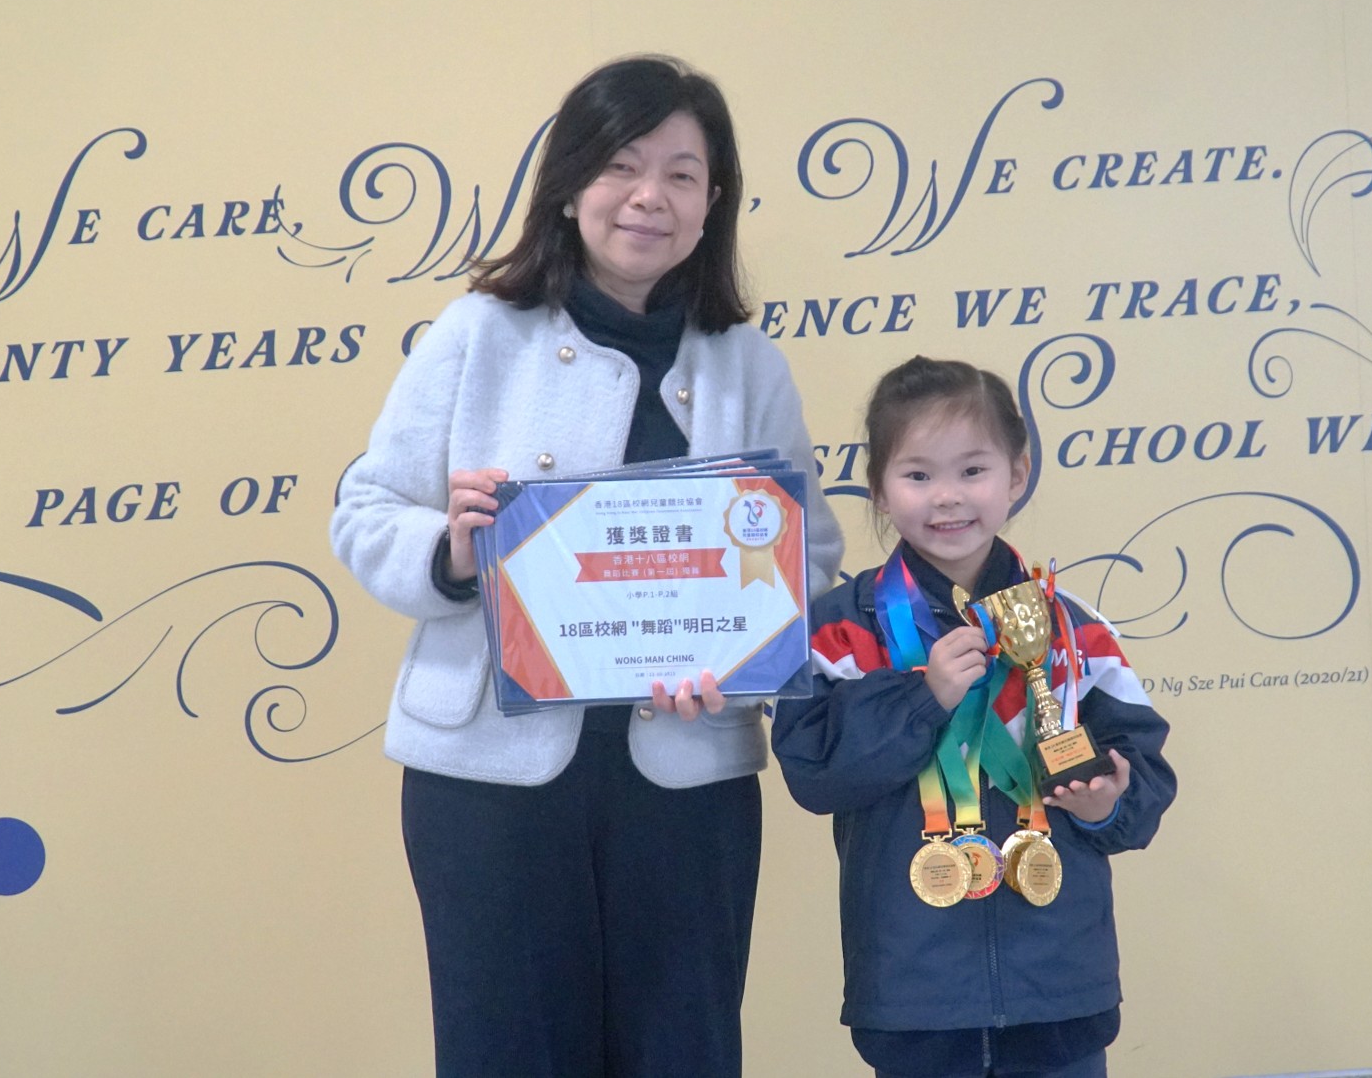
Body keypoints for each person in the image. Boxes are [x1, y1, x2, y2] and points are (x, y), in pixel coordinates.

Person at [331, 55, 844, 1078]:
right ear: (568, 186)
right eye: (621, 165)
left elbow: (810, 553)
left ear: (713, 203)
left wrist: (746, 656)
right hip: (490, 779)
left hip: (685, 778)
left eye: (682, 174)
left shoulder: (747, 363)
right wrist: (453, 553)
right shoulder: (477, 333)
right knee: (506, 1050)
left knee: (681, 1049)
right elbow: (367, 510)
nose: (650, 196)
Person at [771, 356, 1176, 1078]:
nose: (948, 496)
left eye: (973, 470)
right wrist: (923, 697)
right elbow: (814, 773)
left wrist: (1108, 805)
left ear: (1017, 475)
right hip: (914, 991)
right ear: (879, 489)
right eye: (918, 474)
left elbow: (1141, 771)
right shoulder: (841, 630)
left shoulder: (1072, 628)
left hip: (1059, 987)